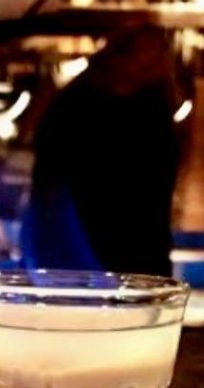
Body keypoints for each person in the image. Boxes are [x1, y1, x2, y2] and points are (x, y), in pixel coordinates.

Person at [23, 26, 179, 276]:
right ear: (119, 58)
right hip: (79, 249)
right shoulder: (74, 107)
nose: (159, 62)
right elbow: (49, 185)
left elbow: (159, 185)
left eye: (161, 53)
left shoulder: (154, 109)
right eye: (149, 55)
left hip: (142, 250)